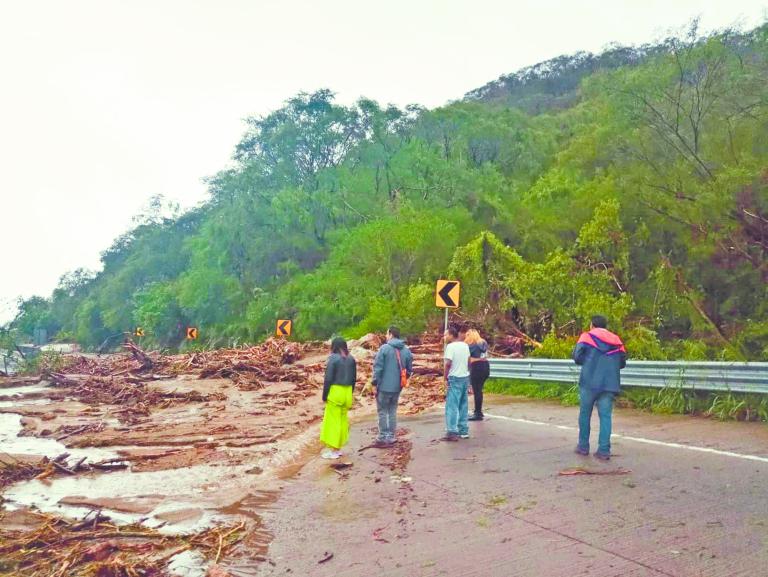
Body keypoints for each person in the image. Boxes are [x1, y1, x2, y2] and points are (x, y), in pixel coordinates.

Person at [572, 315, 627, 461]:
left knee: (585, 414)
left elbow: (577, 357)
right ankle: (604, 450)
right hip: (609, 384)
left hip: (589, 382)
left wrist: (590, 362)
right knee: (605, 417)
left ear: (592, 325)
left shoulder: (586, 337)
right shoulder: (617, 340)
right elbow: (622, 363)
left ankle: (583, 447)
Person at [372, 326, 413, 448]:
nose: (385, 336)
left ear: (390, 334)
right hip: (397, 387)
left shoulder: (384, 349)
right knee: (392, 410)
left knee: (382, 411)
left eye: (386, 333)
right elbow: (409, 369)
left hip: (384, 386)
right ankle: (391, 436)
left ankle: (383, 436)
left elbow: (378, 368)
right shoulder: (406, 350)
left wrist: (374, 383)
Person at [319, 337, 357, 459]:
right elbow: (354, 379)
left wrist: (324, 395)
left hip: (335, 392)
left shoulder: (333, 359)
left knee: (333, 422)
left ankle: (334, 451)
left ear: (334, 346)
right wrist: (351, 393)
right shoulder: (351, 359)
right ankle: (339, 448)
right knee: (342, 421)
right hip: (347, 392)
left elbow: (328, 379)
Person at [443, 324, 471, 441]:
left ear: (451, 335)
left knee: (452, 405)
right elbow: (469, 361)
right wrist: (467, 372)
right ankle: (463, 430)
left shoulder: (450, 347)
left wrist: (445, 377)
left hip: (454, 378)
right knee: (463, 405)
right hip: (465, 377)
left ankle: (452, 431)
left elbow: (448, 363)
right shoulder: (465, 345)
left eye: (445, 334)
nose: (444, 337)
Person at [465, 329, 490, 421]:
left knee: (477, 391)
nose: (466, 337)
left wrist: (473, 360)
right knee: (479, 390)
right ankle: (479, 411)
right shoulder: (483, 343)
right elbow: (484, 357)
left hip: (476, 368)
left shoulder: (471, 345)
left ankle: (478, 413)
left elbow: (469, 359)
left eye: (467, 335)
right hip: (486, 367)